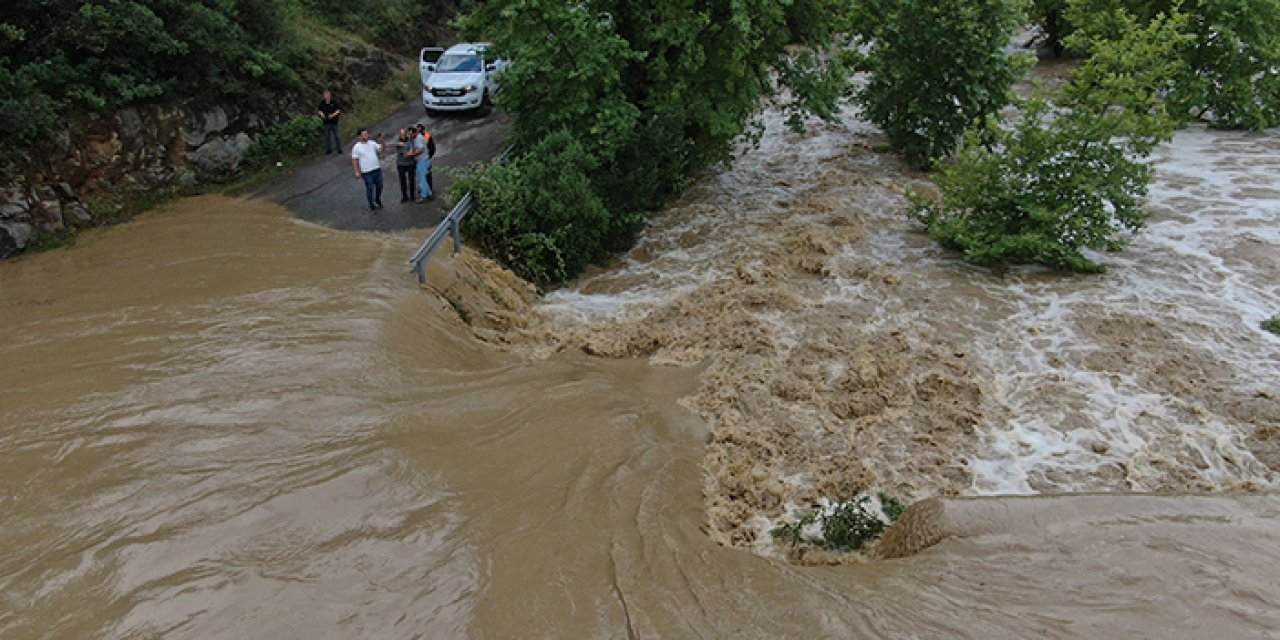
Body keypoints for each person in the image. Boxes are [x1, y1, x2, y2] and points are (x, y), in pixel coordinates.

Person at [351, 129, 384, 211]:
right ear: (359, 137)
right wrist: (356, 172)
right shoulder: (356, 147)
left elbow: (381, 150)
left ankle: (377, 199)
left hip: (377, 169)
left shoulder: (372, 143)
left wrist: (382, 142)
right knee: (370, 187)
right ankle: (371, 204)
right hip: (367, 172)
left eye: (367, 134)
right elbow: (355, 160)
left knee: (380, 186)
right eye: (364, 134)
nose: (366, 136)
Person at [393, 127, 417, 202]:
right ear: (399, 134)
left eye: (404, 134)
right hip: (401, 164)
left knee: (411, 179)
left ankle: (412, 196)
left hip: (410, 163)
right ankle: (404, 196)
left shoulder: (410, 139)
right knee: (402, 180)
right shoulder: (397, 139)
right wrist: (398, 143)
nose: (403, 135)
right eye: (401, 134)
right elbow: (394, 144)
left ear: (406, 134)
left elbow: (414, 149)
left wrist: (410, 153)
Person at [413, 124, 435, 202]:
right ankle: (429, 193)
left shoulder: (421, 137)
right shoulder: (420, 137)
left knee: (423, 179)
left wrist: (412, 154)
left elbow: (425, 149)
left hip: (423, 160)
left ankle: (424, 195)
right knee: (424, 178)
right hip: (425, 159)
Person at [318, 89, 342, 154]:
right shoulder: (322, 103)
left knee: (337, 136)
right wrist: (322, 115)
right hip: (326, 122)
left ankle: (339, 149)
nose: (327, 96)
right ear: (324, 96)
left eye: (328, 94)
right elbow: (320, 110)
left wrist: (333, 115)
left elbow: (338, 110)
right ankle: (328, 150)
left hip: (334, 122)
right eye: (325, 95)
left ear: (330, 95)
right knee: (327, 137)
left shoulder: (334, 102)